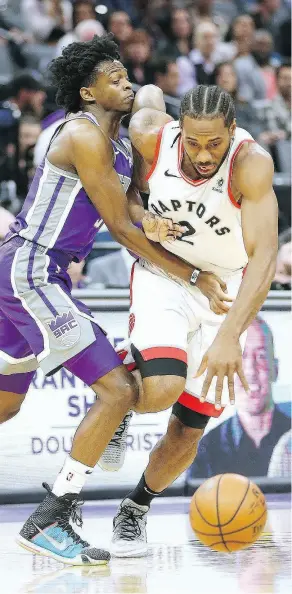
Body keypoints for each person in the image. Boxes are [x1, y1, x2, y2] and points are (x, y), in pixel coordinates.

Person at [0, 34, 225, 565]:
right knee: (119, 390)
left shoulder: (120, 144)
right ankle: (51, 517)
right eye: (115, 79)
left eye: (127, 76)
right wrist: (192, 275)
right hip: (30, 272)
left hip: (36, 275)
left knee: (7, 402)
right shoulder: (81, 134)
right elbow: (123, 230)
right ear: (87, 92)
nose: (127, 84)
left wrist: (161, 221)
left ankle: (54, 513)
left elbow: (134, 213)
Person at [103, 83, 278, 557]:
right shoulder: (151, 136)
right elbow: (127, 200)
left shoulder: (252, 165)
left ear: (233, 130)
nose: (203, 153)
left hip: (222, 287)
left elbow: (264, 259)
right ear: (179, 129)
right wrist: (143, 218)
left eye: (214, 143)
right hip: (168, 273)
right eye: (194, 141)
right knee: (159, 390)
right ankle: (118, 395)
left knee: (187, 432)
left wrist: (230, 335)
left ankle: (134, 509)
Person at [187, 316, 291, 479]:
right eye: (240, 358)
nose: (250, 370)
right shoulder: (205, 452)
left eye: (261, 356)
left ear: (275, 369)